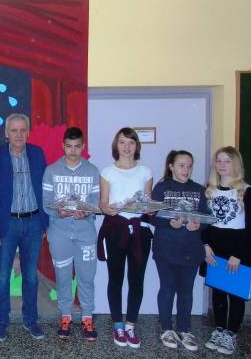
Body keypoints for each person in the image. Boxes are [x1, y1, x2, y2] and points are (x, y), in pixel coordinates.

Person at [0, 113, 47, 341]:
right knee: (2, 276)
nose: (19, 135)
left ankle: (30, 320)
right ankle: (2, 322)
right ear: (6, 133)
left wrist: (44, 223)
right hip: (6, 225)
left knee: (30, 275)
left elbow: (45, 190)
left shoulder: (37, 154)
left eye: (22, 130)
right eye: (14, 130)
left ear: (28, 132)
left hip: (34, 223)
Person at [42, 126, 100, 341]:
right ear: (63, 146)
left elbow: (95, 202)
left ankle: (87, 318)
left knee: (86, 276)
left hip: (86, 234)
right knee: (63, 277)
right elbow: (46, 203)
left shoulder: (92, 171)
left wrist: (86, 213)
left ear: (83, 146)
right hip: (60, 233)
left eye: (77, 146)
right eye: (69, 146)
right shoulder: (51, 171)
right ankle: (65, 316)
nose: (73, 151)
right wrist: (60, 212)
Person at [98, 127, 153, 349]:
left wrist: (149, 208)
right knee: (115, 279)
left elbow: (148, 204)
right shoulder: (107, 172)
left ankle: (131, 325)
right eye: (122, 142)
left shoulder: (145, 172)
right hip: (116, 229)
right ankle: (118, 326)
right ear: (116, 145)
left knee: (137, 280)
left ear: (136, 146)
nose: (127, 147)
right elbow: (103, 204)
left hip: (140, 231)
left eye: (131, 142)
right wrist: (107, 209)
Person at [150, 150, 208, 351]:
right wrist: (169, 223)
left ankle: (184, 329)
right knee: (167, 289)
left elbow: (206, 218)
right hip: (165, 249)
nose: (186, 169)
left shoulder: (198, 190)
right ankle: (166, 328)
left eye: (189, 166)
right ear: (171, 166)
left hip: (191, 250)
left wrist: (198, 225)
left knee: (186, 291)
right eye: (182, 165)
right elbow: (152, 217)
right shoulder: (161, 188)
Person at [202, 146, 251, 355]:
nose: (222, 165)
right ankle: (219, 330)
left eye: (227, 160)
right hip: (215, 249)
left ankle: (231, 333)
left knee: (235, 294)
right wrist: (205, 246)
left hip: (238, 251)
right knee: (218, 291)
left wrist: (239, 255)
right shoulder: (209, 190)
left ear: (236, 164)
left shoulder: (246, 191)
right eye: (218, 160)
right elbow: (204, 223)